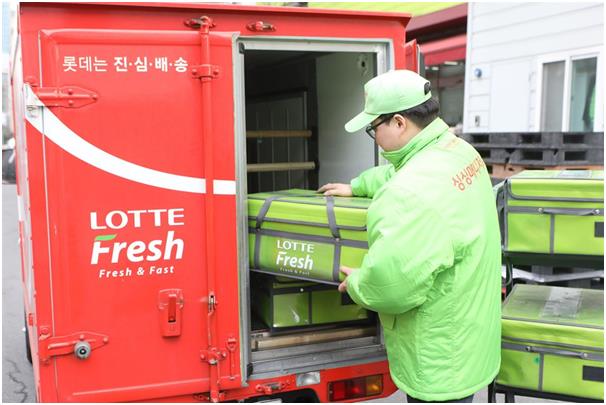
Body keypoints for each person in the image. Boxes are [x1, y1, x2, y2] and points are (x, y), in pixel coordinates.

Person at [318, 70, 501, 403]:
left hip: (440, 357)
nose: (373, 136)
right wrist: (357, 186)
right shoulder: (460, 153)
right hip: (471, 337)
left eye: (373, 128)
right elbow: (401, 171)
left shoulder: (407, 195)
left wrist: (358, 285)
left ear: (399, 123)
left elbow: (393, 286)